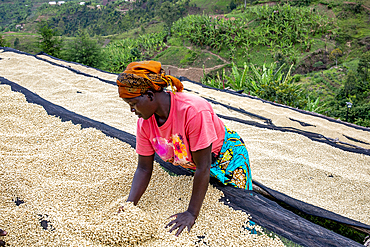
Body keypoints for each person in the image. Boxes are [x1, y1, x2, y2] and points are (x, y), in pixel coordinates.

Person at [117, 61, 252, 236]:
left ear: (149, 95)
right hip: (193, 163)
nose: (132, 110)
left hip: (226, 157)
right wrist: (130, 204)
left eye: (133, 104)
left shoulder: (193, 111)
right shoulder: (144, 124)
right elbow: (143, 168)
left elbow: (204, 166)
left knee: (243, 207)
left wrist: (191, 213)